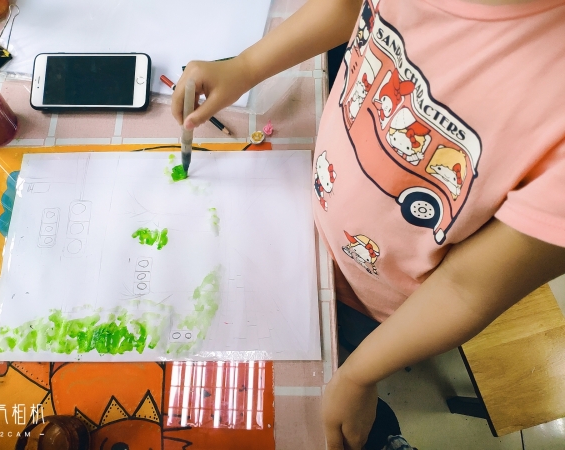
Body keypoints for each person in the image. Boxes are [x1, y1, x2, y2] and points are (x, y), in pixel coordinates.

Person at [171, 0, 565, 448]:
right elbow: (349, 7)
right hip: (305, 211)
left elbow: (466, 290)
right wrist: (245, 67)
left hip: (375, 300)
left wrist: (359, 375)